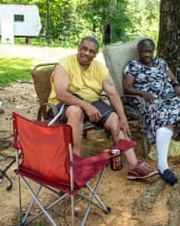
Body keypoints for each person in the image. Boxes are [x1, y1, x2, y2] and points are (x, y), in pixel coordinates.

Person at [48, 36, 157, 180]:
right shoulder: (64, 64)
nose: (87, 53)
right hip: (65, 103)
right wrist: (86, 106)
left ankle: (134, 166)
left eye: (91, 51)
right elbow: (62, 94)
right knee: (76, 111)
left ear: (96, 54)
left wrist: (123, 118)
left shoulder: (99, 68)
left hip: (92, 102)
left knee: (115, 119)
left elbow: (112, 93)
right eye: (84, 49)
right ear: (78, 48)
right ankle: (75, 164)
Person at [123, 38, 180, 185]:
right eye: (143, 51)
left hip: (169, 98)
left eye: (149, 51)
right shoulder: (133, 66)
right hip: (149, 101)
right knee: (166, 116)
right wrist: (142, 93)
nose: (146, 54)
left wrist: (177, 86)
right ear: (138, 52)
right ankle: (162, 165)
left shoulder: (161, 62)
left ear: (153, 51)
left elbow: (173, 79)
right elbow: (126, 88)